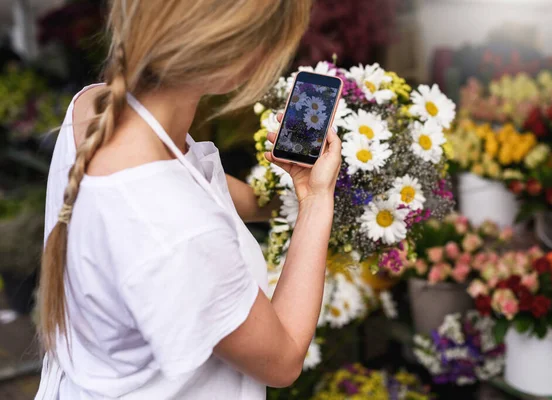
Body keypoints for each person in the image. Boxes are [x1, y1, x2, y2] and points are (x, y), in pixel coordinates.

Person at [35, 0, 342, 398]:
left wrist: (298, 190)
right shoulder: (179, 228)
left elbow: (219, 194)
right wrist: (318, 201)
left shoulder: (95, 109)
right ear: (237, 57)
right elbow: (282, 360)